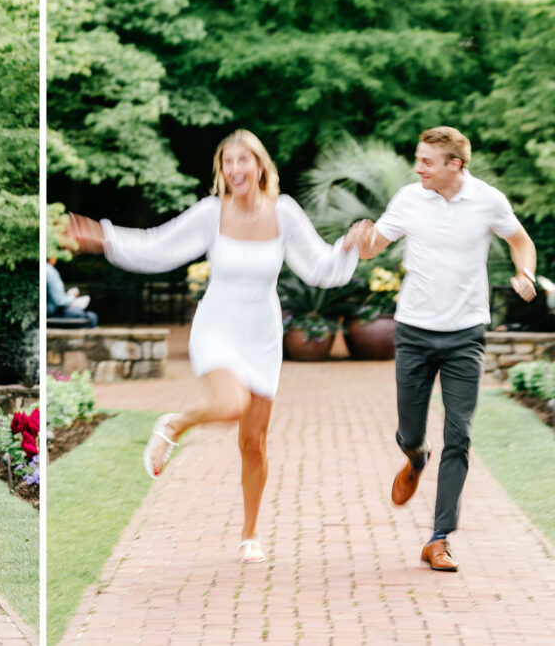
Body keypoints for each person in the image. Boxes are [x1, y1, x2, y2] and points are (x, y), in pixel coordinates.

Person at [67, 129, 363, 563]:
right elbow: (158, 247)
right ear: (221, 170)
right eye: (228, 162)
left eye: (244, 160)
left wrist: (349, 247)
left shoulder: (284, 213)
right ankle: (175, 424)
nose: (235, 168)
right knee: (229, 403)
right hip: (218, 326)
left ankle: (249, 534)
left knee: (254, 443)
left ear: (260, 166)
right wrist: (107, 238)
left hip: (261, 334)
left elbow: (319, 267)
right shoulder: (212, 213)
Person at [352, 126, 537, 573]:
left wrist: (525, 274)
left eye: (427, 162)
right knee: (410, 431)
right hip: (414, 331)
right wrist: (363, 241)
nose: (418, 168)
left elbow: (520, 241)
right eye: (418, 159)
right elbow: (374, 247)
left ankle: (439, 538)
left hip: (465, 334)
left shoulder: (489, 200)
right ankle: (415, 457)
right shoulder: (408, 199)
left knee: (461, 434)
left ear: (455, 165)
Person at [46, 257, 98, 327]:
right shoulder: (49, 270)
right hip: (52, 312)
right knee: (92, 316)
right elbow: (59, 301)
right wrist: (72, 296)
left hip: (50, 311)